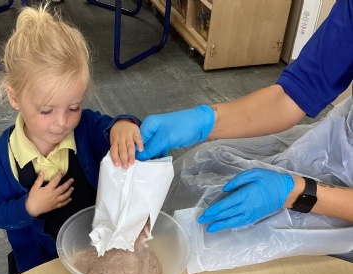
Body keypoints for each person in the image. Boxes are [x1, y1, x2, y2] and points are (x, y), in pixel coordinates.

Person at [136, 0, 353, 233]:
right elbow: (296, 94)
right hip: (338, 148)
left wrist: (298, 193)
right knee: (202, 171)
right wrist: (205, 121)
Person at [0, 5, 143, 274]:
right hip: (38, 267)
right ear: (14, 98)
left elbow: (110, 128)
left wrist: (123, 126)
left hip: (94, 257)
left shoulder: (86, 128)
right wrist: (29, 207)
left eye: (73, 107)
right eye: (47, 111)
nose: (62, 122)